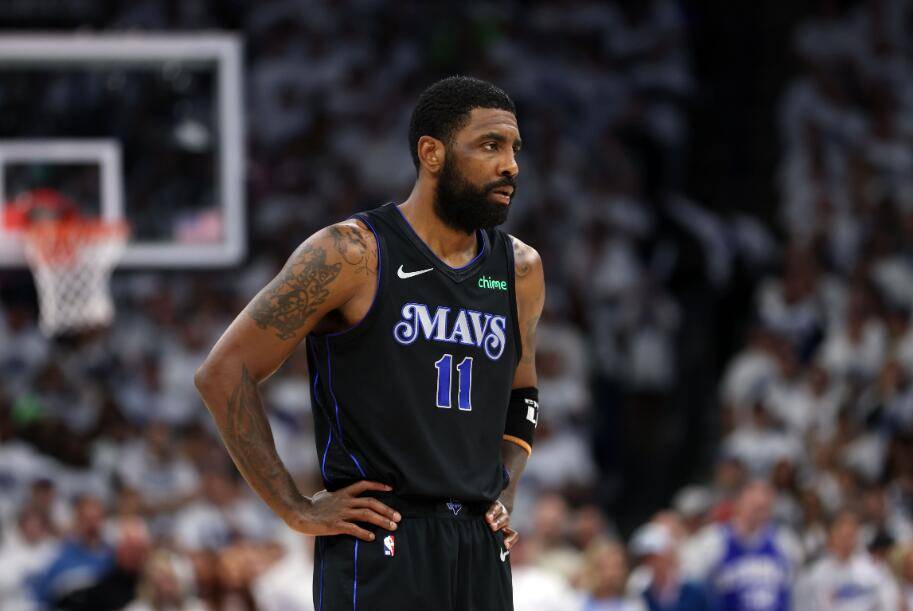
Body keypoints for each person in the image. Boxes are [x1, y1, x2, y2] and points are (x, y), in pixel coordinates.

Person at [195, 75, 545, 610]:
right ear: (431, 152)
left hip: (479, 544)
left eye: (515, 148)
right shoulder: (351, 254)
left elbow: (523, 392)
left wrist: (508, 487)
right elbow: (223, 373)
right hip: (381, 538)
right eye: (491, 145)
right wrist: (294, 507)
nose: (511, 165)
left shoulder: (519, 268)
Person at [683, 480, 801, 611]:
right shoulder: (713, 541)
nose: (758, 514)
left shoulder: (785, 541)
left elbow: (797, 592)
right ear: (738, 503)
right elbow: (688, 584)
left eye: (763, 508)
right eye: (754, 506)